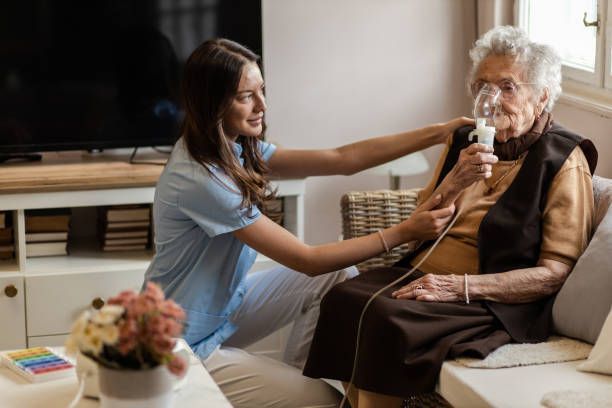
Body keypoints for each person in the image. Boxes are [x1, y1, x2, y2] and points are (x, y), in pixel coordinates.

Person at [143, 38, 471, 407]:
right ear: (212, 103)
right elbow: (306, 259)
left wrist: (440, 131)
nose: (262, 106)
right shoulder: (201, 179)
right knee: (327, 401)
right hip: (179, 343)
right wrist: (404, 232)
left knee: (338, 278)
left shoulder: (233, 148)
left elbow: (342, 158)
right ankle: (303, 395)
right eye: (245, 96)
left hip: (221, 308)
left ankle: (297, 384)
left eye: (262, 91)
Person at [303, 26, 598, 408]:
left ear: (541, 97)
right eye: (482, 87)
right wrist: (455, 182)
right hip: (423, 276)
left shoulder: (563, 159)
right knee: (342, 298)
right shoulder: (466, 140)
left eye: (507, 87)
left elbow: (555, 272)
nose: (491, 100)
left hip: (490, 300)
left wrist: (459, 287)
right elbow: (416, 235)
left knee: (383, 317)